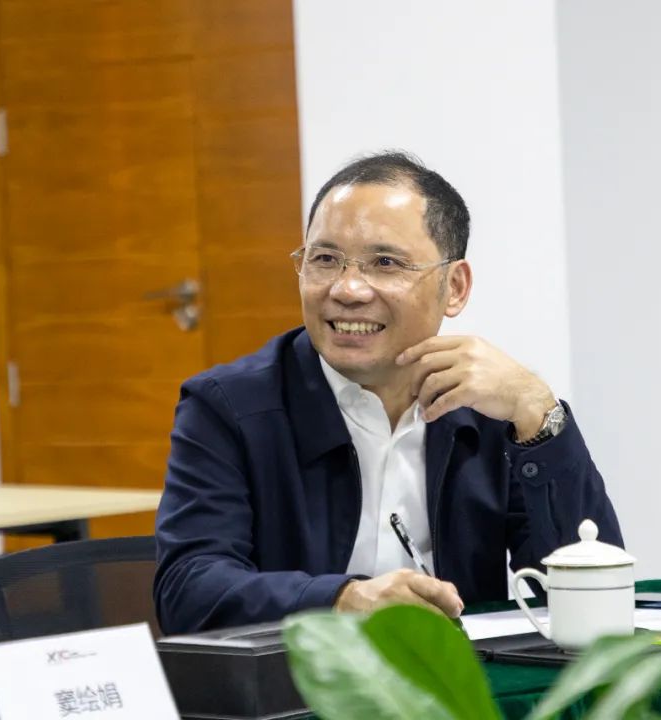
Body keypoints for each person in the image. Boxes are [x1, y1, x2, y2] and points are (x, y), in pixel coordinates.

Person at [154, 152, 622, 634]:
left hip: (458, 674)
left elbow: (593, 592)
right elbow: (189, 590)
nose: (348, 289)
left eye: (384, 263)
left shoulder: (488, 406)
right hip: (300, 677)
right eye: (325, 259)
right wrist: (343, 599)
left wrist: (539, 416)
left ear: (455, 287)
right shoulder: (230, 407)